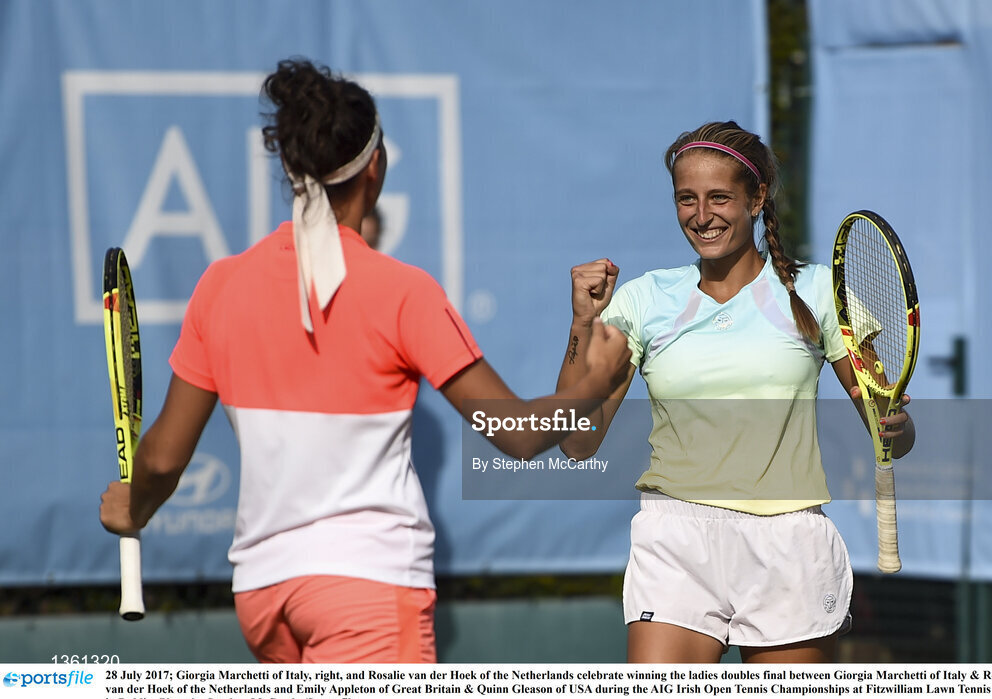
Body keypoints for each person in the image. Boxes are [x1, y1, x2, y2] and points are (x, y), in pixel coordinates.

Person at [99, 58, 630, 664]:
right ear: (374, 168)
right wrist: (598, 380)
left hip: (263, 598)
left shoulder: (220, 286)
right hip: (368, 590)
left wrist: (133, 505)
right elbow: (521, 436)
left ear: (294, 170)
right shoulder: (402, 291)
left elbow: (163, 460)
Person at [556, 121, 915, 663]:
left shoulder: (820, 291)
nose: (702, 215)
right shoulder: (643, 299)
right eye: (686, 199)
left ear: (757, 198)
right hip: (674, 540)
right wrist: (583, 323)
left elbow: (890, 426)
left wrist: (897, 427)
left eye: (719, 197)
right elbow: (576, 441)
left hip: (787, 542)